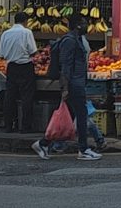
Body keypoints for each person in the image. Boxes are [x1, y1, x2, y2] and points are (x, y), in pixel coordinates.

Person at [33, 13, 101, 161]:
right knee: (81, 116)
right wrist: (65, 88)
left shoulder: (76, 40)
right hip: (73, 84)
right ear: (77, 25)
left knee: (69, 116)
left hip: (76, 83)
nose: (86, 26)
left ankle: (44, 143)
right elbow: (66, 65)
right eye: (84, 23)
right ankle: (83, 149)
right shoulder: (69, 41)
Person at [0, 10, 38, 133]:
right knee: (27, 97)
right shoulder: (27, 32)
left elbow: (1, 54)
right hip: (25, 67)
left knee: (10, 96)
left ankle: (9, 125)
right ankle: (25, 127)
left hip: (11, 68)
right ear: (25, 21)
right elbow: (33, 51)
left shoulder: (6, 33)